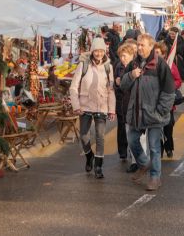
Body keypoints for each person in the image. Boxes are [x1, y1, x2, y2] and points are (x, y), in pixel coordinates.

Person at [121, 34, 174, 191]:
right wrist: (131, 75)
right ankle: (144, 164)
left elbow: (169, 91)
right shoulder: (134, 64)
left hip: (154, 114)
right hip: (137, 112)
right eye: (138, 45)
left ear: (151, 46)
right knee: (132, 140)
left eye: (142, 45)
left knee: (154, 146)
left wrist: (160, 111)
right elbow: (123, 85)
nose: (139, 48)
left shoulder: (160, 64)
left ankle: (155, 177)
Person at [69, 38, 116, 179]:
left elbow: (111, 90)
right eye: (96, 50)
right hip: (85, 106)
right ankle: (89, 156)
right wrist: (76, 106)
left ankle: (98, 166)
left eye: (101, 50)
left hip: (101, 106)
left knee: (100, 136)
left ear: (105, 51)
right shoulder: (83, 65)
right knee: (83, 136)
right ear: (92, 51)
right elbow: (73, 87)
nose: (99, 53)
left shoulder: (108, 67)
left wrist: (111, 109)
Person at [154, 42, 180, 158]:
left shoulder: (170, 65)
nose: (155, 55)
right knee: (156, 127)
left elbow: (178, 80)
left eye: (158, 53)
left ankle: (169, 147)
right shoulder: (150, 65)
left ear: (164, 54)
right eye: (154, 53)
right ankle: (159, 148)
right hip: (154, 102)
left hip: (168, 102)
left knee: (168, 126)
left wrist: (170, 86)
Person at [114, 41, 138, 167]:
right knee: (122, 128)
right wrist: (117, 84)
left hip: (132, 103)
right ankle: (123, 152)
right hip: (121, 102)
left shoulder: (136, 67)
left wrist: (122, 82)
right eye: (121, 56)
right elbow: (115, 84)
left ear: (132, 55)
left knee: (132, 130)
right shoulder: (118, 66)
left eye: (125, 56)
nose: (122, 59)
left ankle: (134, 156)